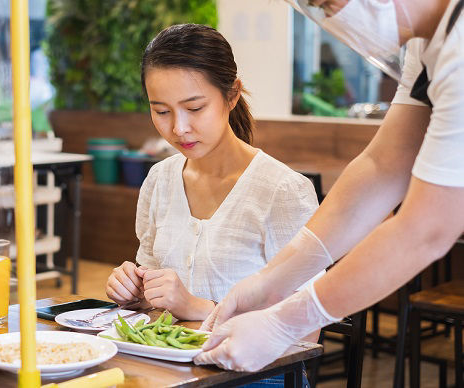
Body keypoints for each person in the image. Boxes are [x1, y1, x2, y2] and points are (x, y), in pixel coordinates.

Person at [195, 0, 464, 373]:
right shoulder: (428, 40)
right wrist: (270, 281)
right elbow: (382, 165)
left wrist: (285, 321)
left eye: (326, 2)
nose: (330, 18)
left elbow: (426, 228)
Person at [105, 24, 322, 330]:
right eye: (162, 111)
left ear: (231, 95)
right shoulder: (160, 180)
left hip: (253, 373)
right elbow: (153, 295)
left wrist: (199, 308)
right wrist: (137, 293)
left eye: (195, 108)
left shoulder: (282, 190)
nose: (179, 128)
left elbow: (307, 327)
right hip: (169, 367)